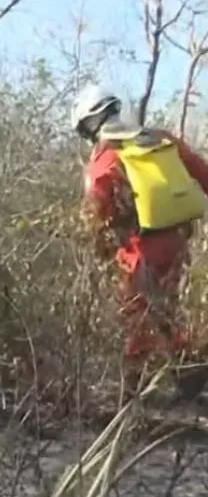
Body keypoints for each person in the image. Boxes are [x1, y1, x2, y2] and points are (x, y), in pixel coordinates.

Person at [72, 85, 208, 393]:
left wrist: (97, 245)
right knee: (165, 307)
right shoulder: (160, 138)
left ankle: (135, 388)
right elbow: (202, 172)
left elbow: (95, 207)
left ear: (90, 123)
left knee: (137, 312)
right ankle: (188, 371)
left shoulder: (107, 154)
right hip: (177, 237)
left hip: (138, 246)